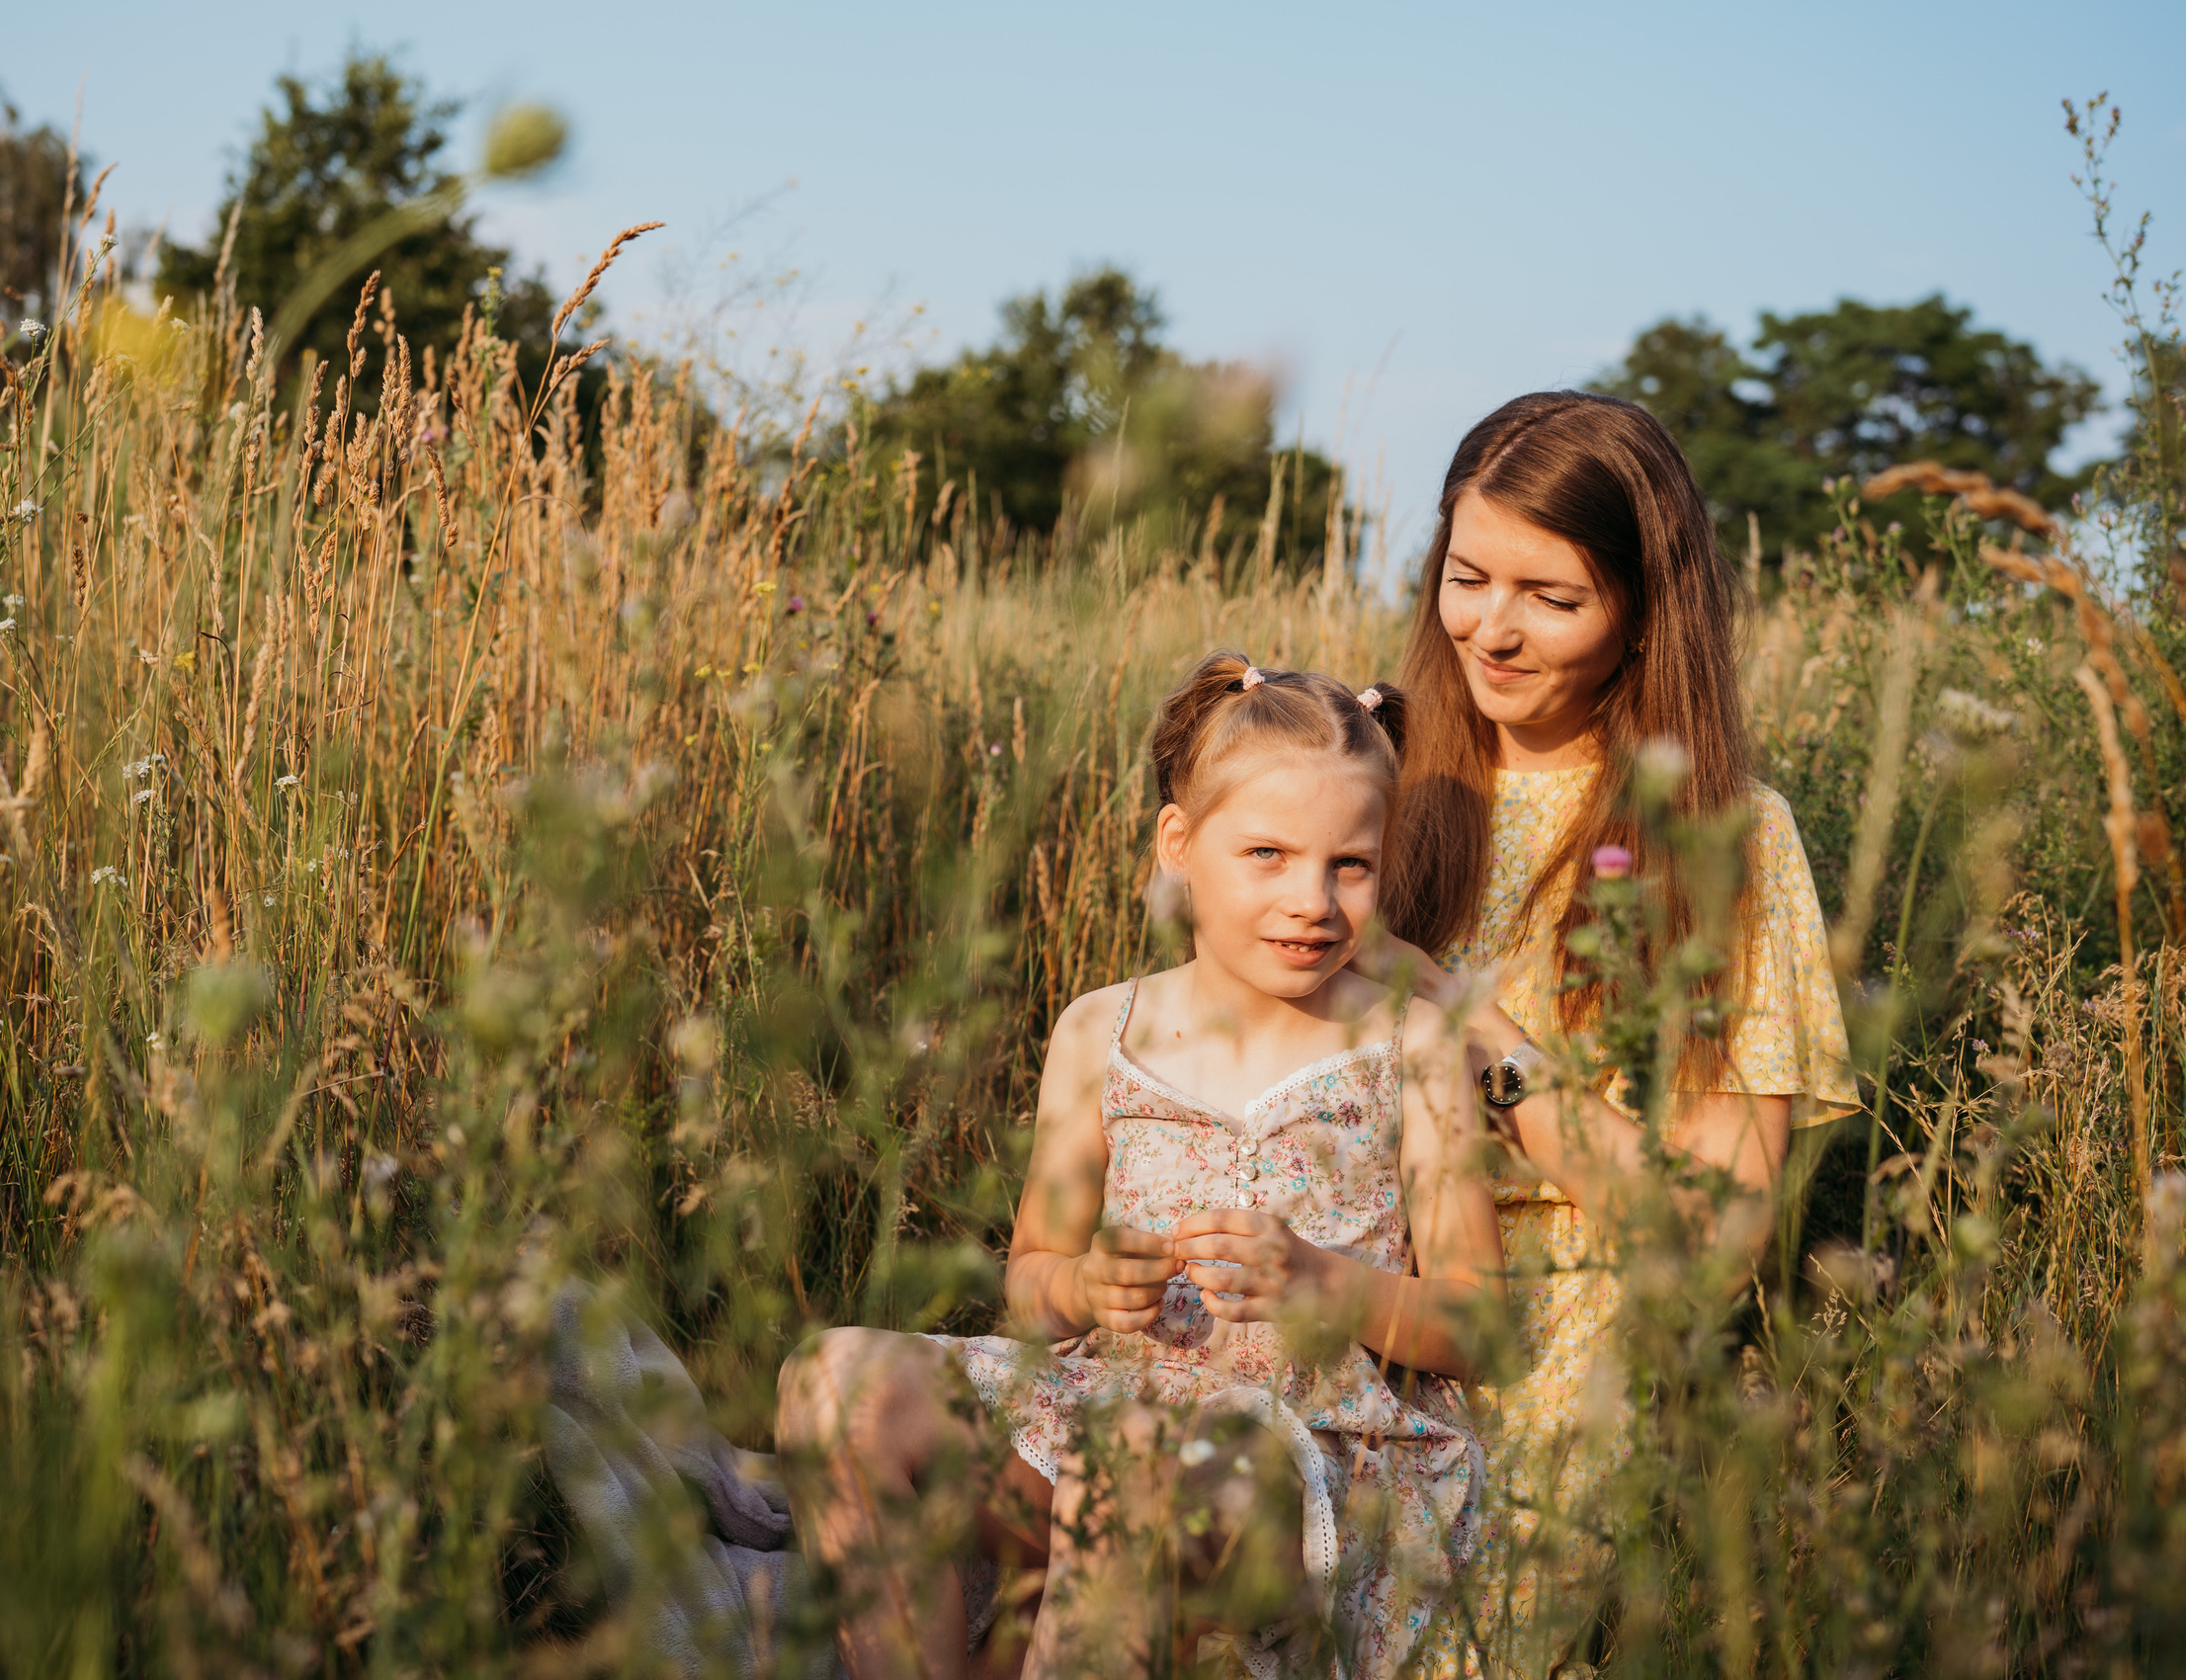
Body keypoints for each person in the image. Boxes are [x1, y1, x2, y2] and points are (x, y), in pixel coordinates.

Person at [777, 652, 1504, 1680]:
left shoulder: (1412, 1049)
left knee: (1130, 1473)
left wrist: (1322, 1281)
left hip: (1301, 1466)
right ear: (1179, 845)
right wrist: (1079, 1284)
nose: (1313, 900)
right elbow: (1030, 1282)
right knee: (832, 1377)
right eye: (1266, 854)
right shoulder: (1100, 1033)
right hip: (1098, 1417)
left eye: (1350, 865)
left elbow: (1480, 1323)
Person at [1362, 390, 1860, 1674]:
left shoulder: (1731, 837)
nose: (1492, 627)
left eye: (1552, 596)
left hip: (1574, 1323)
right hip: (1350, 1277)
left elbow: (1704, 1237)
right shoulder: (1386, 773)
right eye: (1466, 576)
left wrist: (1470, 1017)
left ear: (1645, 608)